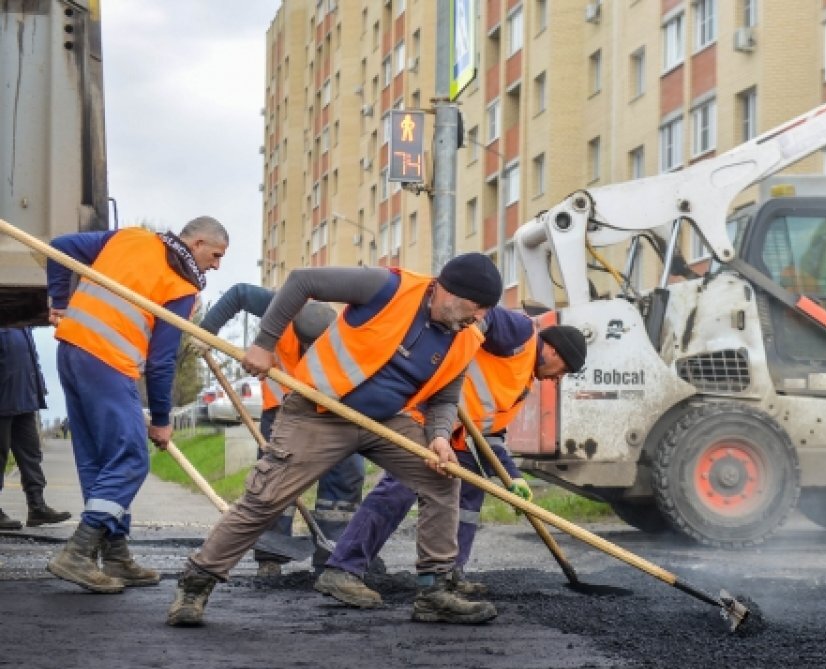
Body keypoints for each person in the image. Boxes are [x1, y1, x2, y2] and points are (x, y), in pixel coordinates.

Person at [167, 253, 504, 627]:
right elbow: (302, 280)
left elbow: (444, 398)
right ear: (449, 292)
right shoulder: (389, 287)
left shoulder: (467, 338)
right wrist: (264, 344)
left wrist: (439, 438)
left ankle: (434, 591)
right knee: (265, 499)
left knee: (442, 479)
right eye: (477, 308)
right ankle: (196, 583)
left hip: (387, 422)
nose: (479, 318)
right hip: (319, 410)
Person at [314, 311, 587, 608]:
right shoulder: (523, 334)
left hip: (458, 438)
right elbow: (487, 315)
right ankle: (342, 569)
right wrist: (458, 347)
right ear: (554, 351)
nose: (559, 379)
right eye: (565, 369)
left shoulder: (521, 383)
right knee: (399, 489)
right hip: (426, 419)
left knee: (469, 493)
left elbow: (490, 435)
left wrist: (513, 477)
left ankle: (449, 571)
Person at [45, 217, 227, 593]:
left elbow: (60, 246)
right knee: (130, 458)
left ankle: (115, 555)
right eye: (215, 254)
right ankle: (78, 552)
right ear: (196, 243)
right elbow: (161, 362)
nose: (217, 265)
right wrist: (161, 420)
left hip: (72, 351)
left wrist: (59, 303)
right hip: (107, 362)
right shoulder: (182, 284)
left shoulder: (130, 238)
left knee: (100, 458)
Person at [193, 283, 366, 577]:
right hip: (283, 408)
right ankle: (271, 556)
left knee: (345, 479)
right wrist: (205, 332)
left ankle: (333, 555)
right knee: (273, 482)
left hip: (335, 411)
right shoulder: (281, 306)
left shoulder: (352, 333)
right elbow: (238, 294)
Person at [0, 328, 72, 531]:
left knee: (31, 454)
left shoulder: (20, 322)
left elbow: (31, 356)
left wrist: (38, 385)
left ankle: (37, 506)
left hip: (24, 397)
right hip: (3, 397)